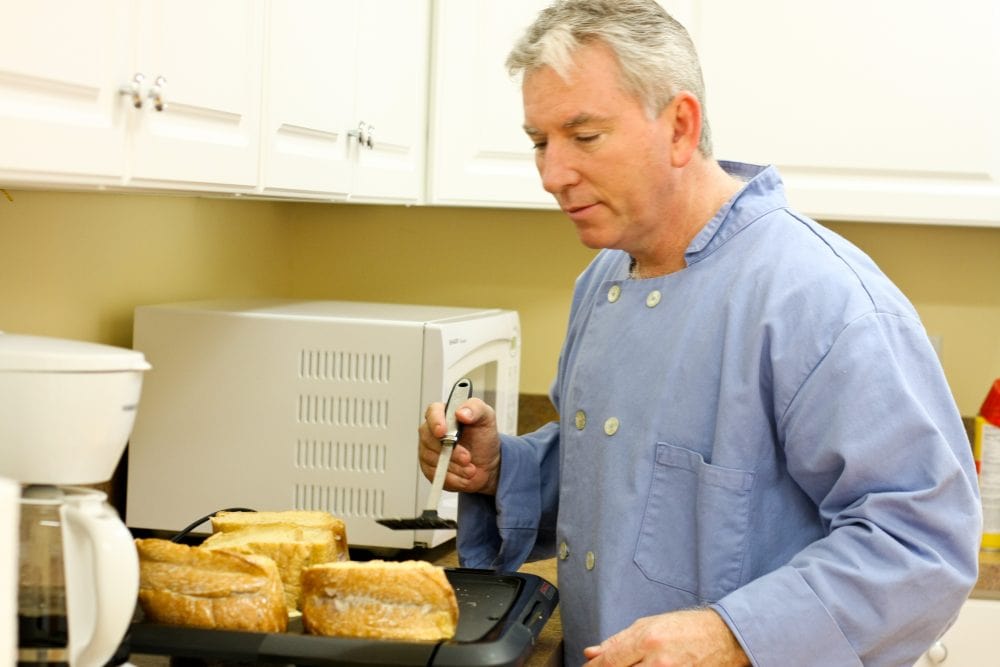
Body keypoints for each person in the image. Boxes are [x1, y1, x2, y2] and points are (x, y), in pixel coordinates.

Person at [418, 1, 982, 665]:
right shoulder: (601, 281)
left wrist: (735, 634)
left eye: (584, 136)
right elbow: (627, 484)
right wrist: (500, 470)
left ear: (681, 126)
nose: (552, 174)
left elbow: (924, 543)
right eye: (540, 142)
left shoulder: (820, 299)